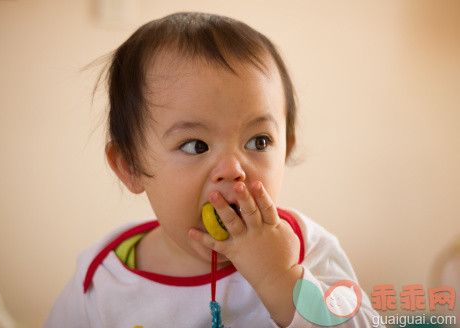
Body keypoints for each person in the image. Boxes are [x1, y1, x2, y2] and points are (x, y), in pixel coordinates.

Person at [44, 12, 381, 327]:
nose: (234, 170)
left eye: (259, 141)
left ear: (286, 149)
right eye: (196, 146)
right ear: (130, 167)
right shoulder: (102, 278)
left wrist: (282, 280)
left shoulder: (305, 246)